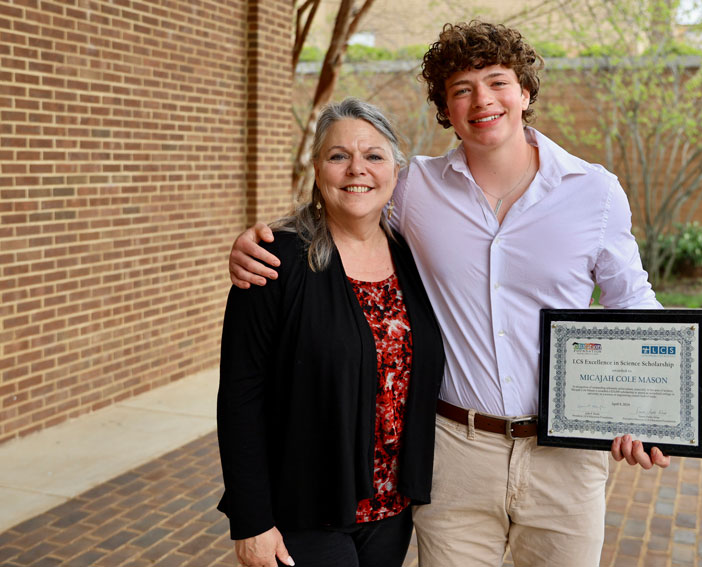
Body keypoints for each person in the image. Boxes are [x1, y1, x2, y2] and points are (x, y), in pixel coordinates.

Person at [228, 22, 670, 567]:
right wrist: (261, 238)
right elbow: (348, 203)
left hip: (567, 457)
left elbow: (634, 304)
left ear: (525, 92)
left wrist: (647, 409)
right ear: (446, 109)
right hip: (455, 452)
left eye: (497, 81)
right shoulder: (416, 188)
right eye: (462, 89)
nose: (482, 99)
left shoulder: (595, 191)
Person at [217, 98, 445, 567]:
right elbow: (240, 396)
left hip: (391, 508)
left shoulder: (413, 254)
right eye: (339, 156)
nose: (356, 169)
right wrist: (252, 519)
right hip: (306, 513)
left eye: (374, 156)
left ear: (396, 171)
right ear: (318, 169)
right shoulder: (274, 260)